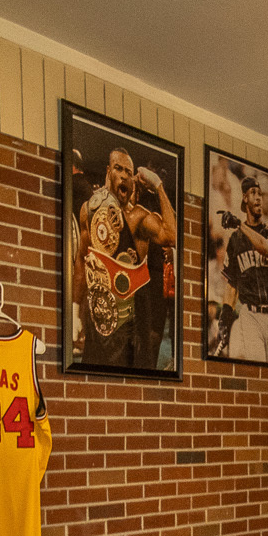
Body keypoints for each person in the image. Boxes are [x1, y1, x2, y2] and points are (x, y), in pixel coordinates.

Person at [75, 147, 176, 369]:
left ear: (133, 181)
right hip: (99, 320)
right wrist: (74, 310)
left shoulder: (138, 216)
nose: (123, 175)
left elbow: (172, 235)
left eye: (128, 172)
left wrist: (158, 185)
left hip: (132, 325)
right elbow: (82, 260)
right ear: (108, 171)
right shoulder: (89, 211)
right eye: (118, 169)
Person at [221, 174, 268, 363]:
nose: (258, 198)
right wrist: (226, 313)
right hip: (250, 315)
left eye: (260, 194)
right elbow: (232, 283)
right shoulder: (235, 240)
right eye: (253, 193)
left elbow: (267, 249)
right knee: (258, 365)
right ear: (244, 198)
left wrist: (239, 224)